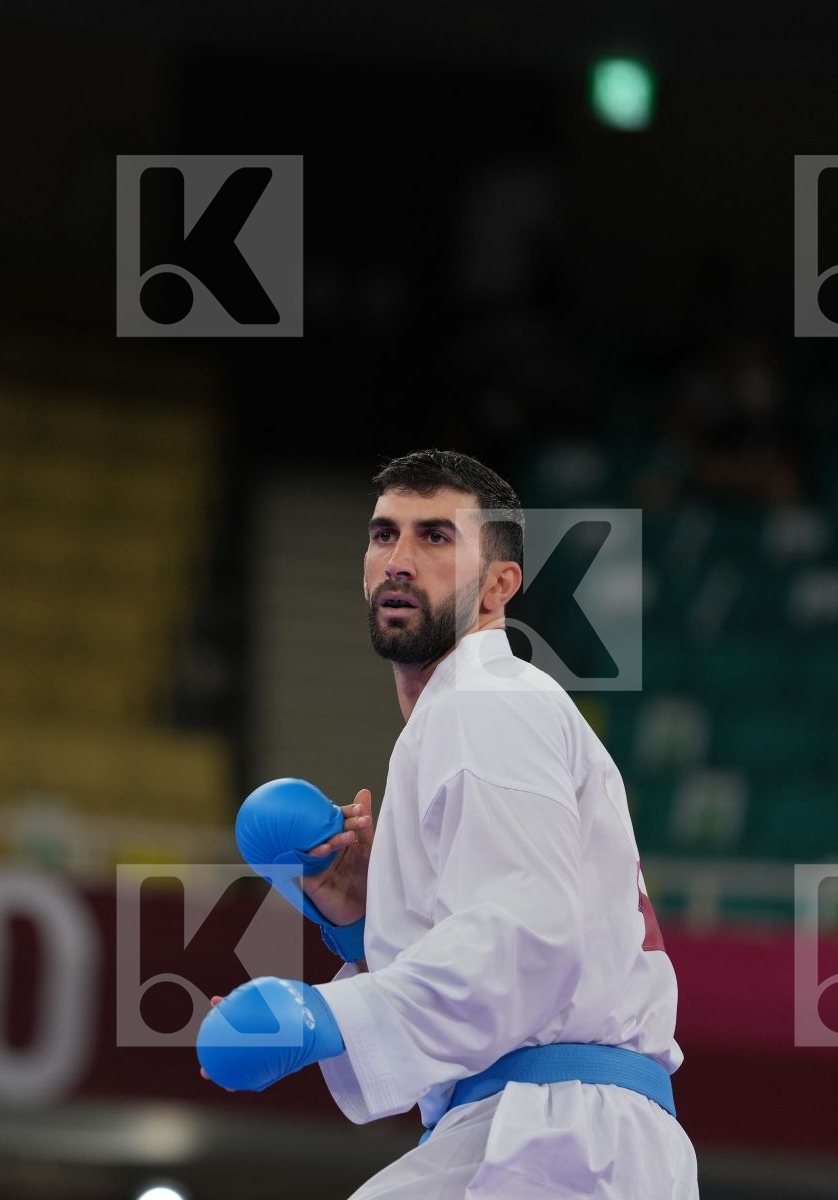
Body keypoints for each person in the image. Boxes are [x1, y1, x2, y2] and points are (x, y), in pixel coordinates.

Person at [199, 449, 698, 1198]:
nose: (399, 560)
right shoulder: (464, 715)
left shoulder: (485, 697)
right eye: (382, 535)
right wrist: (364, 921)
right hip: (549, 1132)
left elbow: (528, 936)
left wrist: (317, 1013)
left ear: (500, 585)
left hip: (556, 1136)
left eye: (435, 537)